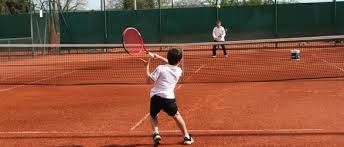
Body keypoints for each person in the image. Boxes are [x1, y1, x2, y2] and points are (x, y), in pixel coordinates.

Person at [144, 49, 194, 145]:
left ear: (168, 57)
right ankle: (186, 137)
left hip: (156, 97)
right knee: (176, 116)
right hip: (169, 99)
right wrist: (159, 57)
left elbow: (148, 81)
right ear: (179, 61)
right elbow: (171, 64)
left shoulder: (160, 68)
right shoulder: (179, 70)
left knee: (153, 116)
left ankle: (156, 133)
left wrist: (146, 67)